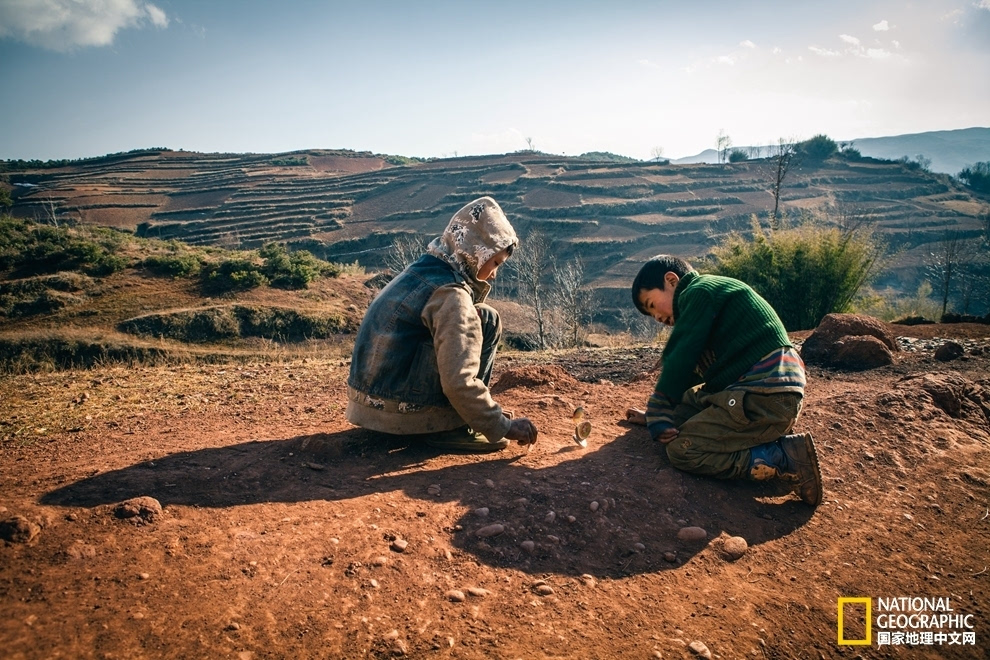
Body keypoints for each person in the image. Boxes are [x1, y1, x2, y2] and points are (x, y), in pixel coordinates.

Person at [625, 255, 822, 506]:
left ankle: (783, 457)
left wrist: (660, 404)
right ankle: (760, 437)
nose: (656, 318)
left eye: (652, 305)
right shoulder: (708, 302)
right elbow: (692, 372)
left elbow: (682, 353)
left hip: (766, 395)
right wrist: (662, 416)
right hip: (761, 391)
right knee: (686, 405)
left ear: (672, 281)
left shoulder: (699, 292)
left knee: (683, 450)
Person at [346, 196, 539, 453]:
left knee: (483, 315)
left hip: (366, 402)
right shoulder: (451, 293)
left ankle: (463, 416)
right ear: (476, 251)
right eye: (494, 263)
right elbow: (459, 381)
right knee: (487, 321)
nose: (493, 274)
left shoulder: (422, 268)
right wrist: (500, 426)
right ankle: (454, 428)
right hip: (398, 408)